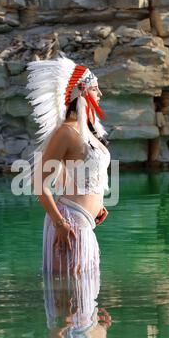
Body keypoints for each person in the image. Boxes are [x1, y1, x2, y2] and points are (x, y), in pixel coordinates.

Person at [25, 55, 111, 278]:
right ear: (81, 92)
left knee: (83, 295)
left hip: (85, 221)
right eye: (95, 88)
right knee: (70, 297)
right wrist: (59, 223)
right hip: (69, 222)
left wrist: (97, 206)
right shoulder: (66, 132)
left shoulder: (88, 133)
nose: (100, 94)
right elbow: (39, 183)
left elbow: (84, 174)